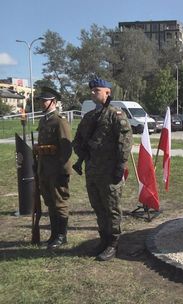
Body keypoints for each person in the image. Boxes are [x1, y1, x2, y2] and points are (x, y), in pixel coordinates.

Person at [73, 77, 133, 261]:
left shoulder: (116, 115)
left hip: (109, 171)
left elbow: (125, 142)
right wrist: (81, 150)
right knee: (98, 207)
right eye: (91, 90)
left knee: (112, 208)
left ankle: (113, 243)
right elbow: (78, 139)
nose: (92, 93)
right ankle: (103, 239)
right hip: (92, 170)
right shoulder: (90, 116)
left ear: (107, 92)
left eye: (96, 90)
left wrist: (120, 167)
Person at [34, 87, 72, 250]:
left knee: (59, 202)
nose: (42, 103)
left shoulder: (59, 120)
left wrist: (65, 171)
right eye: (41, 101)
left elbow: (66, 148)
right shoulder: (44, 120)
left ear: (54, 102)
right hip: (44, 168)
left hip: (57, 170)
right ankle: (53, 234)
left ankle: (61, 236)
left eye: (45, 101)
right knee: (50, 202)